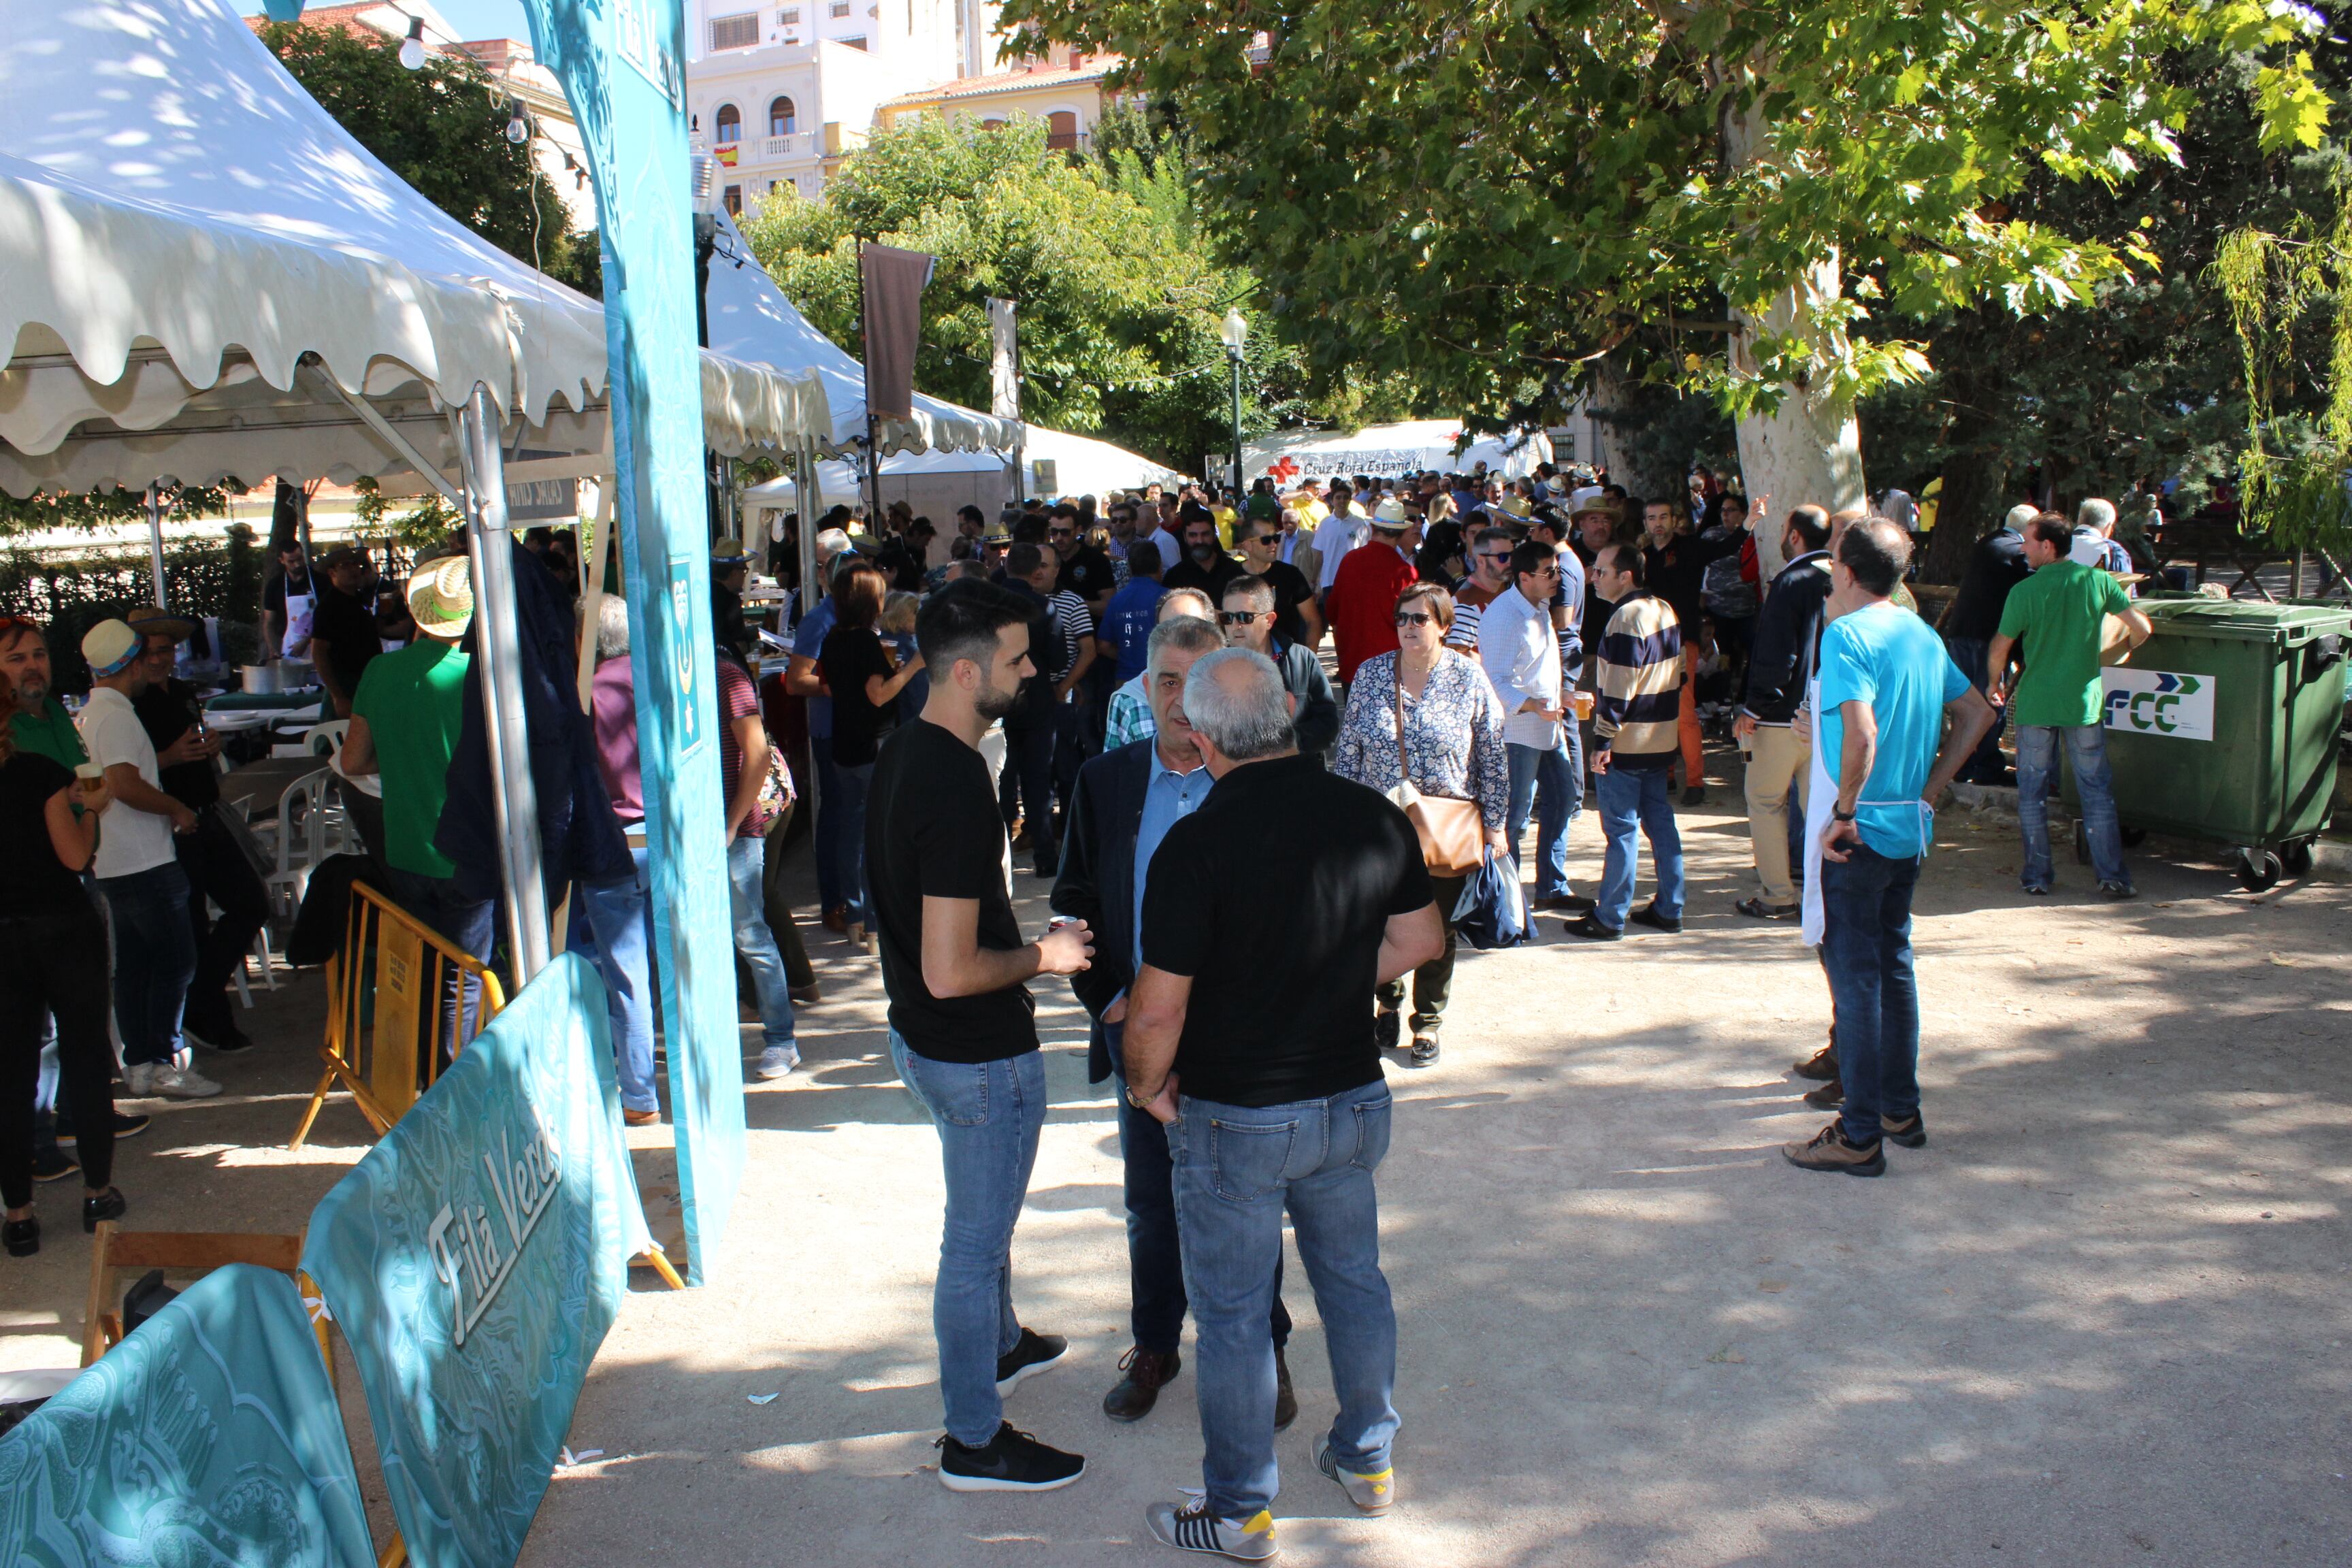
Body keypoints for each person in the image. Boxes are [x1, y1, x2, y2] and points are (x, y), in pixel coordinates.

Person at [1120, 647, 1443, 1558]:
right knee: (1355, 1282)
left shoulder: (1198, 843)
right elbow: (1421, 938)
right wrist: (1336, 987)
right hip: (1350, 1098)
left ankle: (1237, 1512)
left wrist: (1146, 1088)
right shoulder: (1370, 813)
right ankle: (1369, 1457)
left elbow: (1156, 1007)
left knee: (1228, 1317)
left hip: (1238, 1114)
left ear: (1200, 734)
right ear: (1290, 711)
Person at [870, 580, 1094, 1492]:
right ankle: (973, 1439)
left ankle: (1000, 1345)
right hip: (973, 1055)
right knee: (975, 1242)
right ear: (966, 672)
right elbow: (951, 969)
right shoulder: (953, 783)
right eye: (1015, 658)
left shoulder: (913, 747)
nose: (1034, 668)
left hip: (929, 1045)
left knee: (983, 1232)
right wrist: (1045, 956)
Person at [1052, 615, 1303, 1427]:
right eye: (1166, 682)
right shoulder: (1106, 781)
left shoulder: (1264, 786)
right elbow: (1075, 907)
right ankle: (1155, 1342)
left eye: (1196, 688)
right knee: (1151, 1203)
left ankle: (1268, 1350)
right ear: (1146, 686)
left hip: (1242, 1043)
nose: (1179, 704)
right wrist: (1115, 1010)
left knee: (1248, 1205)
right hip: (1140, 1036)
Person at [1784, 521, 1995, 1175]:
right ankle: (1900, 1110)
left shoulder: (1847, 636)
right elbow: (1979, 714)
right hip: (1905, 827)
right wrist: (1929, 791)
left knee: (1857, 979)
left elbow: (1863, 735)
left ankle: (1859, 1132)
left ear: (1846, 571)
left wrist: (1845, 813)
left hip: (1863, 830)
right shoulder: (1920, 632)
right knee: (1893, 969)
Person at [1333, 583, 1509, 1064]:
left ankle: (1428, 1022)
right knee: (1376, 923)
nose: (1409, 627)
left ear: (1444, 626)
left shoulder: (1469, 678)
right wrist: (1338, 817)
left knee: (1439, 931)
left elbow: (1492, 753)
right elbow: (1349, 750)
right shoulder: (1371, 674)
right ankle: (1385, 1004)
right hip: (1378, 828)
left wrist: (1496, 824)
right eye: (1403, 618)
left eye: (1421, 619)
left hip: (1446, 829)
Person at [342, 557, 497, 1040]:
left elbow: (353, 762)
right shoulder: (483, 676)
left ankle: (430, 1077)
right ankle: (452, 1084)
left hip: (407, 846)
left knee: (429, 970)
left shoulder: (380, 670)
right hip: (468, 850)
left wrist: (405, 757)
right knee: (465, 977)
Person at [0, 682, 124, 1255]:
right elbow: (76, 857)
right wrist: (92, 812)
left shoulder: (42, 772)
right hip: (62, 928)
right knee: (84, 1055)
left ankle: (19, 1212)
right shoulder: (39, 773)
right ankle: (98, 1189)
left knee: (11, 1072)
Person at [76, 621, 210, 1098]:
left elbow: (103, 786)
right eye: (145, 658)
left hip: (118, 859)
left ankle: (140, 1063)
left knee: (135, 967)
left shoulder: (95, 713)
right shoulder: (116, 716)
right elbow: (123, 784)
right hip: (143, 860)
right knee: (176, 963)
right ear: (130, 664)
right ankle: (163, 1061)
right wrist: (176, 809)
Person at [1987, 512, 2152, 897]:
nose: (2023, 548)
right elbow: (2141, 627)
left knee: (2032, 793)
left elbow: (2000, 646)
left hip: (2036, 705)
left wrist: (1993, 684)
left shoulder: (2024, 592)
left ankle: (2037, 877)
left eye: (2028, 541)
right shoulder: (2097, 581)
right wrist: (2118, 651)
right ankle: (2112, 876)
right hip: (2083, 704)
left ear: (2047, 546)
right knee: (2096, 791)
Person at [562, 591, 681, 1117]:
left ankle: (639, 1094)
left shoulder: (583, 693)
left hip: (615, 844)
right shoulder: (661, 680)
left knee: (629, 979)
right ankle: (676, 1086)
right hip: (668, 840)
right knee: (669, 969)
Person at [127, 607, 265, 1055]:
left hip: (207, 811)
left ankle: (200, 1001)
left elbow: (196, 740)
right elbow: (128, 773)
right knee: (192, 923)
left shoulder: (183, 691)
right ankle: (207, 1015)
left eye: (164, 650)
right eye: (148, 652)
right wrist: (169, 756)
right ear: (132, 656)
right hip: (167, 819)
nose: (157, 659)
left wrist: (211, 745)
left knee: (250, 904)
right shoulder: (130, 702)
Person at [1565, 546, 1687, 941]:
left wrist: (1602, 738)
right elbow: (1679, 673)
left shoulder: (1625, 618)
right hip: (1661, 737)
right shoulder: (1665, 609)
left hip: (1628, 742)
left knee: (1621, 830)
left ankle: (1610, 915)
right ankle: (1671, 907)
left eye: (1601, 571)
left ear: (1626, 576)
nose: (1594, 577)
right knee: (1660, 824)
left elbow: (1618, 688)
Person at [1733, 505, 1835, 919]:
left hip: (1781, 716)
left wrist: (1754, 707)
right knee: (1822, 809)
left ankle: (1779, 895)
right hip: (1831, 714)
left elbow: (1778, 653)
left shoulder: (1791, 581)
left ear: (1794, 536)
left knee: (1765, 801)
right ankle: (1830, 893)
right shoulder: (1842, 576)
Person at [1477, 541, 1586, 914]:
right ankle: (1507, 899)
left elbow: (1535, 669)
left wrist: (1562, 696)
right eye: (1549, 572)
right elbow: (1494, 680)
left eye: (1556, 570)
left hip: (1546, 727)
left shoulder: (1537, 608)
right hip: (1517, 733)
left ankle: (1551, 887)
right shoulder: (1502, 616)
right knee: (1515, 817)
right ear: (1525, 577)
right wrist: (1532, 704)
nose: (1557, 578)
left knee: (1564, 800)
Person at [821, 562, 926, 947]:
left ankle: (854, 914)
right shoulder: (865, 641)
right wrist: (913, 667)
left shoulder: (834, 637)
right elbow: (878, 695)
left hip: (843, 744)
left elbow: (838, 685)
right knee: (876, 837)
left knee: (851, 833)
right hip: (872, 745)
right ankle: (872, 923)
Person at [715, 631, 804, 1075]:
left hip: (736, 832)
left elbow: (757, 752)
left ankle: (781, 1039)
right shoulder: (664, 677)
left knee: (750, 934)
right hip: (691, 832)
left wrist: (732, 824)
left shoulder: (726, 677)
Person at [1639, 497, 1737, 804]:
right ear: (1645, 523)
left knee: (1684, 713)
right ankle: (1665, 774)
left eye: (1663, 517)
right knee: (1655, 711)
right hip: (1648, 642)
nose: (1658, 523)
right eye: (1652, 518)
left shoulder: (1689, 548)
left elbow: (1724, 548)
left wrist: (1748, 525)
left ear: (1674, 520)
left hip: (1682, 642)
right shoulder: (1641, 557)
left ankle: (1695, 781)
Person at [787, 530, 858, 930]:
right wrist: (847, 685)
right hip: (831, 731)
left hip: (865, 730)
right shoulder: (819, 619)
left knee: (859, 818)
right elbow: (797, 681)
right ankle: (835, 901)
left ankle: (858, 900)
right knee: (838, 816)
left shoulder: (866, 614)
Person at [1942, 504, 2037, 785]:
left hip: (1961, 633)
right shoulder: (2016, 552)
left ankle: (1961, 765)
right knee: (1990, 704)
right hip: (1988, 640)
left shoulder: (1987, 543)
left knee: (1965, 705)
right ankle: (1987, 767)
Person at [1218, 577, 1339, 759]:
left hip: (1299, 776)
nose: (1236, 626)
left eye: (1245, 617)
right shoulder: (1215, 670)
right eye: (1227, 618)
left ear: (1269, 620)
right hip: (1243, 778)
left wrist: (1281, 742)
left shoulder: (1303, 661)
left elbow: (1328, 727)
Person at [1106, 588, 1217, 749]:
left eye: (1191, 631)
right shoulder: (1128, 700)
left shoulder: (1236, 693)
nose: (1179, 640)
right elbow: (1116, 768)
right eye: (1168, 630)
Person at [1326, 501, 1422, 685]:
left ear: (1372, 527)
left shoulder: (1350, 561)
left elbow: (1333, 611)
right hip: (1390, 667)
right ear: (1402, 532)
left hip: (1353, 664)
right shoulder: (1406, 572)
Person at [308, 544, 384, 719]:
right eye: (345, 566)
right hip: (344, 684)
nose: (353, 570)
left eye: (354, 564)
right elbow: (318, 652)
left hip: (367, 681)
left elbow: (369, 635)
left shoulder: (358, 599)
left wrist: (384, 615)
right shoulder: (329, 606)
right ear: (332, 573)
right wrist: (338, 697)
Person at [1233, 518, 1323, 649]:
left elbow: (1313, 621)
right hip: (1243, 661)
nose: (1273, 544)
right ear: (1247, 545)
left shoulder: (1291, 574)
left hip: (1285, 661)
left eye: (1276, 538)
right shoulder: (1230, 577)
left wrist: (1308, 660)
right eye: (1266, 540)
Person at [1098, 540, 1168, 687]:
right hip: (1161, 679)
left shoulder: (1117, 600)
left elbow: (1103, 645)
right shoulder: (1168, 598)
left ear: (1129, 567)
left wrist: (1126, 656)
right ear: (1159, 565)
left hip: (1126, 681)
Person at [1443, 525, 1518, 655]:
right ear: (1481, 561)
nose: (1510, 562)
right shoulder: (1467, 606)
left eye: (1513, 555)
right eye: (1503, 557)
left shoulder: (1499, 591)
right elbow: (1455, 660)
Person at [1162, 510, 1245, 604]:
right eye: (1193, 535)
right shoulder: (1174, 577)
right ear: (1185, 537)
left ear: (1214, 534)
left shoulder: (1236, 572)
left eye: (1205, 534)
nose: (1200, 541)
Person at [262, 536, 316, 660]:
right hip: (289, 652)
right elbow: (269, 622)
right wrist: (273, 649)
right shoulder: (275, 585)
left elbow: (328, 618)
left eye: (300, 559)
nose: (297, 565)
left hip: (319, 649)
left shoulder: (319, 580)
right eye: (291, 561)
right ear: (282, 560)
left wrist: (306, 641)